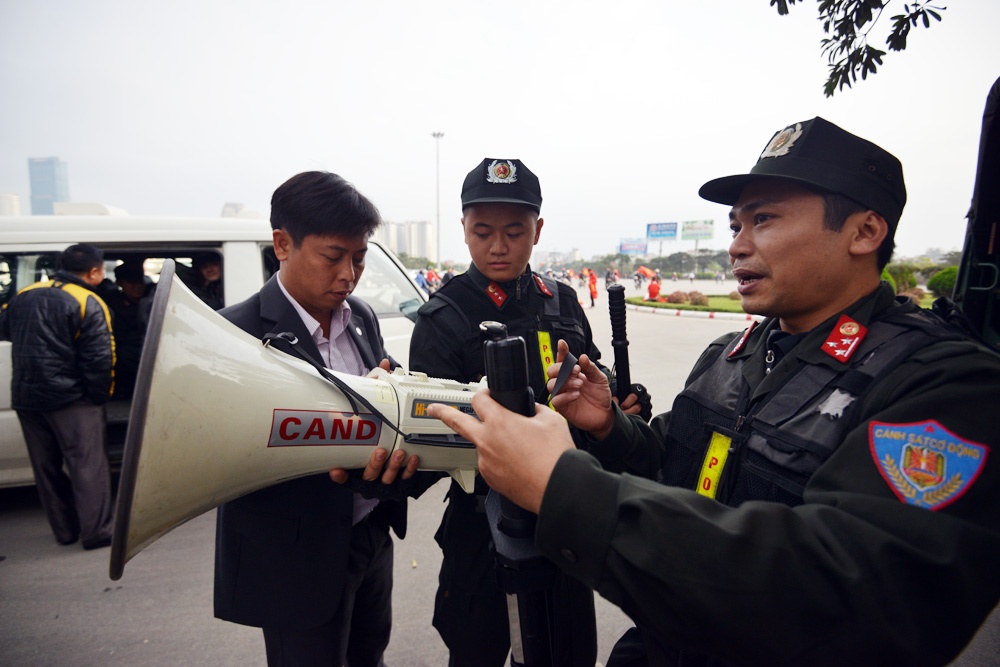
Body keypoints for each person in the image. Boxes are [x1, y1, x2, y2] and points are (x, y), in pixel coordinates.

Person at [429, 118, 1000, 665]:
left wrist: (564, 488)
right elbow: (669, 469)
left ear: (865, 231)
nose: (738, 246)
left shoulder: (940, 384)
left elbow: (853, 593)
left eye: (765, 220)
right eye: (735, 226)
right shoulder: (731, 355)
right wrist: (608, 427)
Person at [409, 158, 644, 667]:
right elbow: (426, 436)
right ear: (464, 230)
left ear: (537, 231)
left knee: (568, 653)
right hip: (482, 527)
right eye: (483, 232)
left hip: (564, 522)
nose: (498, 246)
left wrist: (621, 410)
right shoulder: (443, 317)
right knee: (477, 652)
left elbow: (591, 380)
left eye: (514, 232)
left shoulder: (561, 301)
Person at [213, 171, 430, 667]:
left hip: (369, 533)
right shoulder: (236, 332)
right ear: (283, 244)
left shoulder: (362, 318)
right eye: (333, 257)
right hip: (296, 555)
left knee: (369, 656)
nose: (349, 275)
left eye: (360, 257)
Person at [0, 243, 115, 549]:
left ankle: (65, 531)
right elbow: (100, 360)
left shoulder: (23, 295)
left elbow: (7, 331)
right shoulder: (88, 301)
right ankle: (97, 531)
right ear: (94, 271)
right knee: (87, 465)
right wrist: (97, 399)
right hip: (71, 400)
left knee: (46, 468)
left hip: (26, 398)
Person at [104, 261, 152, 398]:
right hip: (126, 352)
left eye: (140, 282)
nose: (137, 287)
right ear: (119, 283)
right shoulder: (114, 305)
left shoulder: (152, 299)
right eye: (131, 283)